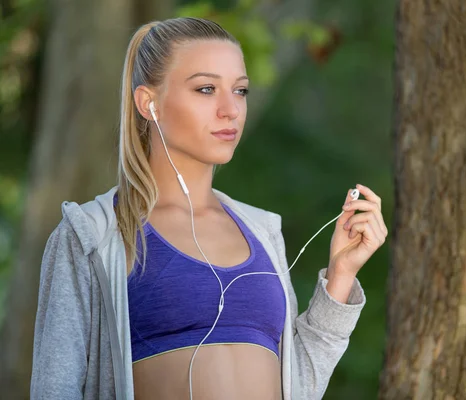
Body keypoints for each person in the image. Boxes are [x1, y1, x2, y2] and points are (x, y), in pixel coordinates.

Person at [30, 17, 387, 400]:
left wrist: (340, 275)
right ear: (149, 103)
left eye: (240, 91)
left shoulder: (264, 233)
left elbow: (299, 385)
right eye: (206, 89)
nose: (230, 110)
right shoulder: (93, 235)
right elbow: (56, 386)